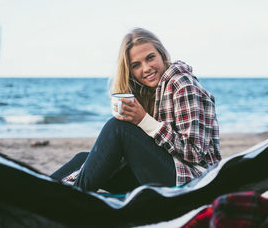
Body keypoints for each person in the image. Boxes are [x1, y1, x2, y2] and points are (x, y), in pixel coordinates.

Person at [51, 28, 222, 193]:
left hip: (192, 182)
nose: (146, 68)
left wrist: (144, 121)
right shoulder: (151, 92)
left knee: (117, 128)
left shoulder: (181, 83)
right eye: (136, 65)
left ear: (162, 55)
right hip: (165, 176)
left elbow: (193, 153)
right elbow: (147, 152)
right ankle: (40, 194)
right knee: (85, 159)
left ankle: (70, 200)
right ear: (130, 71)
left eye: (150, 58)